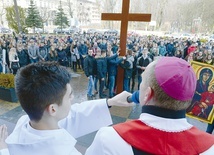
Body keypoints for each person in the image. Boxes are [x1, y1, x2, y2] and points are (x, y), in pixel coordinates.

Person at [85, 57, 214, 155]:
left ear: (147, 94)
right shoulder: (210, 148)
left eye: (141, 82)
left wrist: (110, 102)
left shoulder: (109, 138)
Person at [1, 61, 133, 155]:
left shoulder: (24, 122)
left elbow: (73, 115)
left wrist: (110, 102)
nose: (72, 99)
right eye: (69, 96)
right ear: (52, 109)